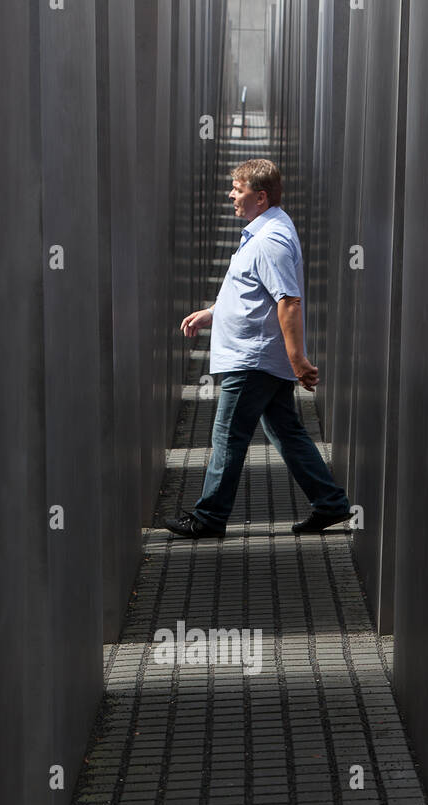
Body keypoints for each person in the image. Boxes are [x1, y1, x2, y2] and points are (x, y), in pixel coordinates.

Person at [166, 158, 352, 540]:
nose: (231, 194)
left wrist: (298, 358)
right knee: (286, 432)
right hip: (258, 357)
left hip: (252, 360)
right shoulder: (261, 233)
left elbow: (288, 301)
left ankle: (209, 517)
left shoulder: (271, 240)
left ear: (261, 197)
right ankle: (330, 502)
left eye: (238, 189)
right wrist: (212, 313)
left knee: (227, 437)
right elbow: (250, 292)